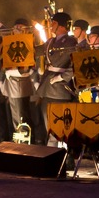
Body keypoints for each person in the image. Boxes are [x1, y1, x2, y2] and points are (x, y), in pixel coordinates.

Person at [35, 12, 78, 147]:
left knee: (59, 128)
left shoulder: (71, 42)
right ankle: (52, 155)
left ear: (61, 26)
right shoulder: (51, 41)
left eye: (53, 23)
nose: (51, 26)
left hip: (59, 90)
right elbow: (34, 51)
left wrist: (61, 77)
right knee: (49, 127)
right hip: (47, 88)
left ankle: (61, 158)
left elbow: (75, 65)